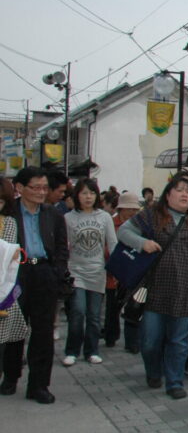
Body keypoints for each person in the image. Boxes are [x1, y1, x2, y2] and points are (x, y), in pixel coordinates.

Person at [118, 172, 188, 399]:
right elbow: (124, 232)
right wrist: (143, 243)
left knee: (179, 341)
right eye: (180, 190)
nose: (185, 194)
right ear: (169, 194)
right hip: (155, 290)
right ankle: (154, 372)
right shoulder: (152, 215)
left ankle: (174, 382)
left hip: (186, 290)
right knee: (150, 341)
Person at [6, 166, 69, 403]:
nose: (42, 192)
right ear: (20, 188)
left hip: (44, 273)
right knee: (14, 328)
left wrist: (57, 271)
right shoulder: (8, 214)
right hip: (16, 274)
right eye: (36, 187)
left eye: (45, 187)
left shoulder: (53, 215)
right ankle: (10, 376)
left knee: (42, 332)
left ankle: (39, 385)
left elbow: (62, 248)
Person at [62, 178, 118, 367]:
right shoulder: (69, 218)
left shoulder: (104, 218)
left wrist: (117, 268)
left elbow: (113, 244)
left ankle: (92, 350)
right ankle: (71, 351)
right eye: (84, 193)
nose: (88, 197)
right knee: (77, 311)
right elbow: (64, 246)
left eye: (92, 193)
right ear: (77, 195)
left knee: (94, 315)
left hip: (97, 272)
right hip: (75, 271)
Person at [0, 176, 30, 394]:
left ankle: (10, 377)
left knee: (9, 335)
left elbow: (8, 252)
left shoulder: (8, 222)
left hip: (3, 290)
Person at [106, 192, 143, 351]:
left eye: (135, 209)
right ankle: (111, 335)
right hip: (113, 272)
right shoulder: (110, 223)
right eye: (129, 209)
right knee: (112, 306)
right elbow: (106, 246)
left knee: (134, 306)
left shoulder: (140, 225)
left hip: (134, 272)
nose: (132, 213)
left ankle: (132, 342)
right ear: (121, 209)